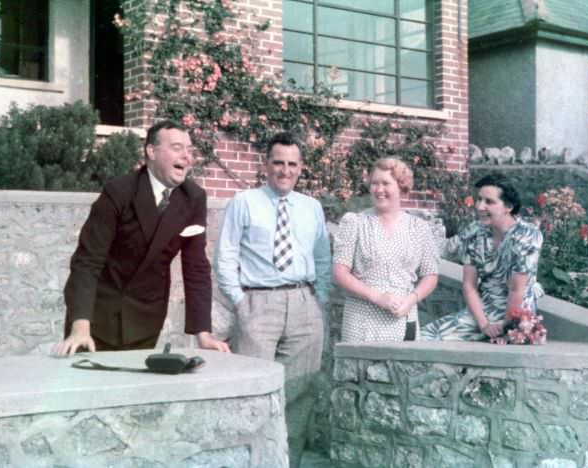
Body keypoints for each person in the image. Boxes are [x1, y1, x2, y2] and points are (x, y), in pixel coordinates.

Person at [54, 120, 229, 355]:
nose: (187, 156)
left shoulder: (193, 198)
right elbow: (87, 262)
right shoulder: (119, 191)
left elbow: (196, 267)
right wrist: (80, 327)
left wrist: (203, 335)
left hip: (146, 318)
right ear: (151, 151)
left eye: (189, 150)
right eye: (177, 148)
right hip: (96, 318)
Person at [213, 131, 331, 467]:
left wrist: (318, 299)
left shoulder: (312, 208)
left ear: (301, 167)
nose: (285, 170)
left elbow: (323, 258)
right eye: (278, 162)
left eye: (292, 164)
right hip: (258, 304)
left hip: (304, 305)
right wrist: (241, 302)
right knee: (251, 391)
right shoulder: (244, 202)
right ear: (265, 164)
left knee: (300, 392)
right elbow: (225, 256)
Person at [421, 173, 543, 341]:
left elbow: (517, 290)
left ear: (508, 207)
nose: (479, 206)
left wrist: (505, 328)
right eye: (479, 199)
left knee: (437, 338)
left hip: (517, 311)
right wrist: (483, 324)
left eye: (489, 202)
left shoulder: (527, 236)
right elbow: (469, 286)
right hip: (483, 310)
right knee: (426, 335)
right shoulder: (475, 232)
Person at [333, 157, 439, 342]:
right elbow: (340, 273)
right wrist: (378, 297)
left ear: (401, 187)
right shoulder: (355, 222)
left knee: (401, 369)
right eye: (375, 183)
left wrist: (411, 300)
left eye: (385, 184)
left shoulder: (419, 227)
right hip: (362, 318)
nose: (379, 190)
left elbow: (430, 275)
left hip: (403, 316)